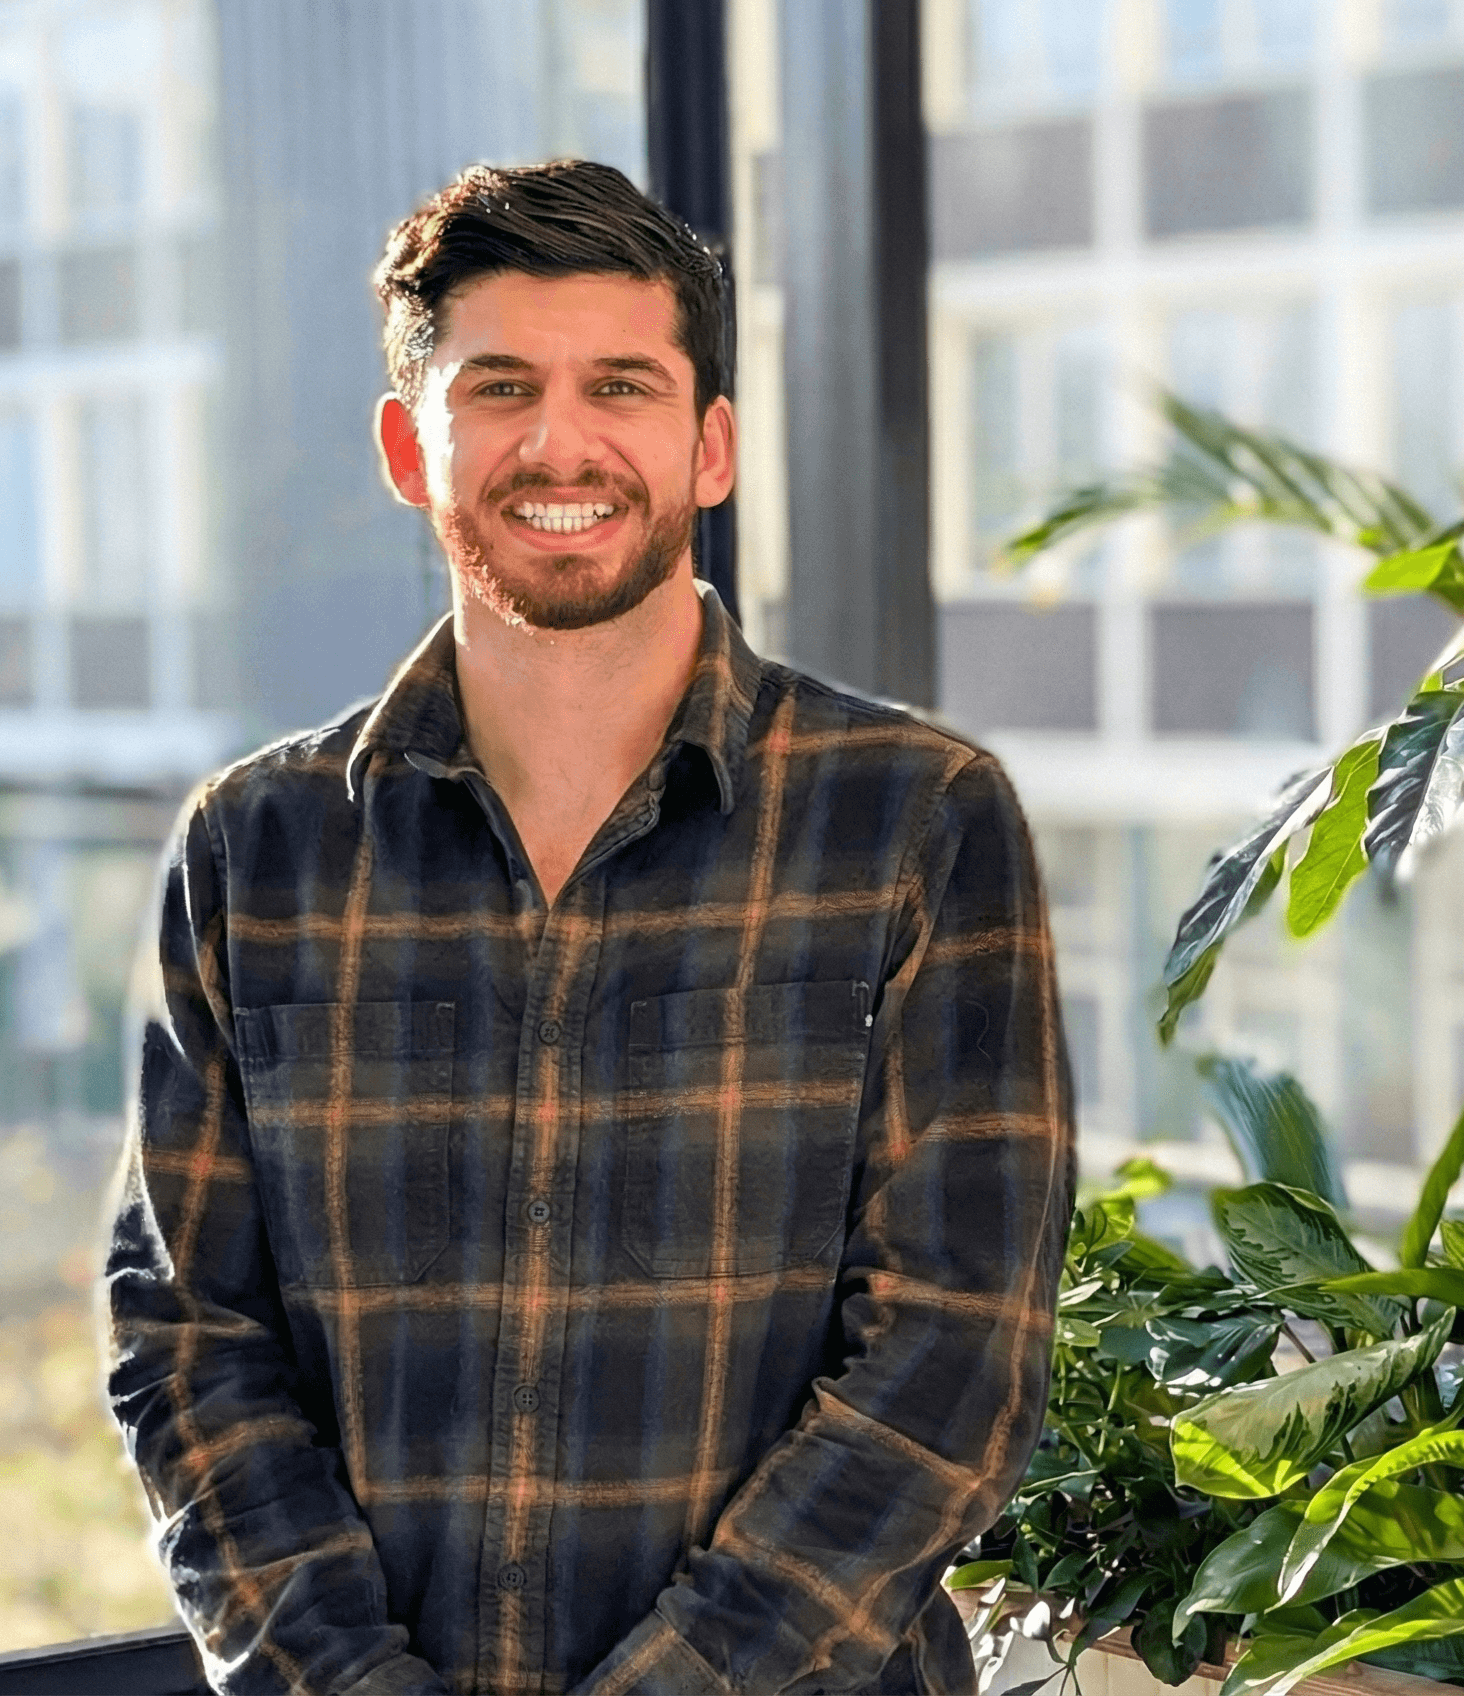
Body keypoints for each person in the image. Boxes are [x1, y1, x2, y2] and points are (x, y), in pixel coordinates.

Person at [99, 159, 1075, 1696]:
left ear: (710, 449)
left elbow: (955, 1355)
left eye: (621, 384)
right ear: (409, 449)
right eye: (499, 388)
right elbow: (186, 1339)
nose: (562, 441)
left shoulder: (918, 823)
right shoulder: (253, 851)